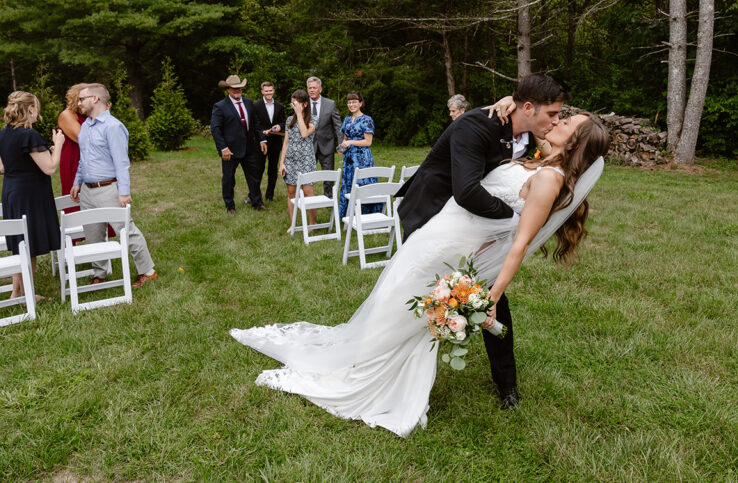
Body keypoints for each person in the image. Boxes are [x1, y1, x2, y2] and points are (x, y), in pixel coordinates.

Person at [232, 112, 610, 437]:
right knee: (391, 301)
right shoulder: (536, 159)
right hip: (439, 239)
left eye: (566, 122)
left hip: (450, 254)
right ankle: (357, 357)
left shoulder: (549, 179)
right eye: (558, 115)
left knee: (401, 311)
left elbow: (518, 243)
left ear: (575, 143)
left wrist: (491, 297)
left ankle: (360, 374)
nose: (556, 120)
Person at [396, 74, 566, 409]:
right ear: (529, 108)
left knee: (493, 300)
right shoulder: (478, 125)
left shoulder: (527, 129)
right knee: (416, 296)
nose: (556, 121)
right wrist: (516, 220)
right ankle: (397, 370)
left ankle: (507, 385)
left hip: (476, 225)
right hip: (431, 214)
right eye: (552, 114)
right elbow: (467, 191)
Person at [70, 83, 158, 288]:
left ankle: (148, 271)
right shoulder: (84, 126)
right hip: (87, 190)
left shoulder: (113, 126)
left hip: (109, 189)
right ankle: (100, 273)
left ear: (95, 99)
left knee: (126, 230)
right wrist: (77, 182)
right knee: (92, 233)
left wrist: (124, 193)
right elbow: (83, 159)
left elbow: (122, 162)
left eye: (82, 99)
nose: (79, 102)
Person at [0, 91, 64, 300]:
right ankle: (28, 296)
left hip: (11, 192)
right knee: (28, 241)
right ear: (30, 109)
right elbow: (50, 168)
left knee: (20, 242)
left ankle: (17, 291)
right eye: (36, 108)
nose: (37, 113)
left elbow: (3, 167)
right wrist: (57, 145)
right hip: (30, 194)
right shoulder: (28, 135)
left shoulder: (3, 134)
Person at [210, 75, 269, 213]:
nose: (237, 91)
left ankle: (257, 203)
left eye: (239, 88)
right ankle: (230, 206)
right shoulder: (220, 106)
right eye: (234, 88)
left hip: (249, 148)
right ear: (228, 90)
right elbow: (215, 129)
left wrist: (262, 139)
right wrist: (223, 148)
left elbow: (256, 123)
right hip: (230, 150)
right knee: (229, 178)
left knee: (254, 177)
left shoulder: (249, 103)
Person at [278, 89, 318, 231]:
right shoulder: (289, 120)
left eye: (297, 103)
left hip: (306, 160)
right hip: (291, 160)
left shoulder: (313, 119)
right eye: (292, 103)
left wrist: (300, 114)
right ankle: (293, 223)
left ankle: (312, 223)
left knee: (308, 192)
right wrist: (282, 163)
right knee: (291, 193)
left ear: (305, 104)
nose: (293, 105)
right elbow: (286, 143)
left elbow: (304, 133)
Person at [336, 91, 378, 218]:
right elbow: (345, 138)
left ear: (360, 103)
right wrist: (343, 147)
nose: (351, 104)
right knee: (348, 183)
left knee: (361, 183)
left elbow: (368, 142)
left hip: (362, 158)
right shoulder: (347, 119)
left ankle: (364, 215)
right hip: (349, 158)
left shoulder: (367, 120)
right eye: (349, 102)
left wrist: (350, 142)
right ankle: (348, 215)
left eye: (354, 102)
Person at [306, 77, 342, 198]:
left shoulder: (330, 104)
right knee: (307, 175)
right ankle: (308, 198)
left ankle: (329, 198)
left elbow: (338, 125)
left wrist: (341, 144)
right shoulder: (303, 104)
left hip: (327, 145)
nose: (312, 90)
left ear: (320, 89)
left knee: (328, 175)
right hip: (308, 145)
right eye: (309, 88)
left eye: (314, 88)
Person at [253, 81, 286, 203]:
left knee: (272, 170)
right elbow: (254, 124)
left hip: (276, 143)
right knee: (258, 170)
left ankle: (269, 195)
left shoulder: (280, 106)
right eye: (266, 91)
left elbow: (284, 122)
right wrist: (262, 133)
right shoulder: (255, 106)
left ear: (274, 91)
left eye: (270, 90)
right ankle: (253, 195)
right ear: (262, 91)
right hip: (261, 143)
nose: (268, 93)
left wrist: (279, 126)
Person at [56, 83, 88, 197]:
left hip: (89, 160)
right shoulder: (67, 115)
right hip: (73, 160)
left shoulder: (88, 115)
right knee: (76, 198)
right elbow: (83, 139)